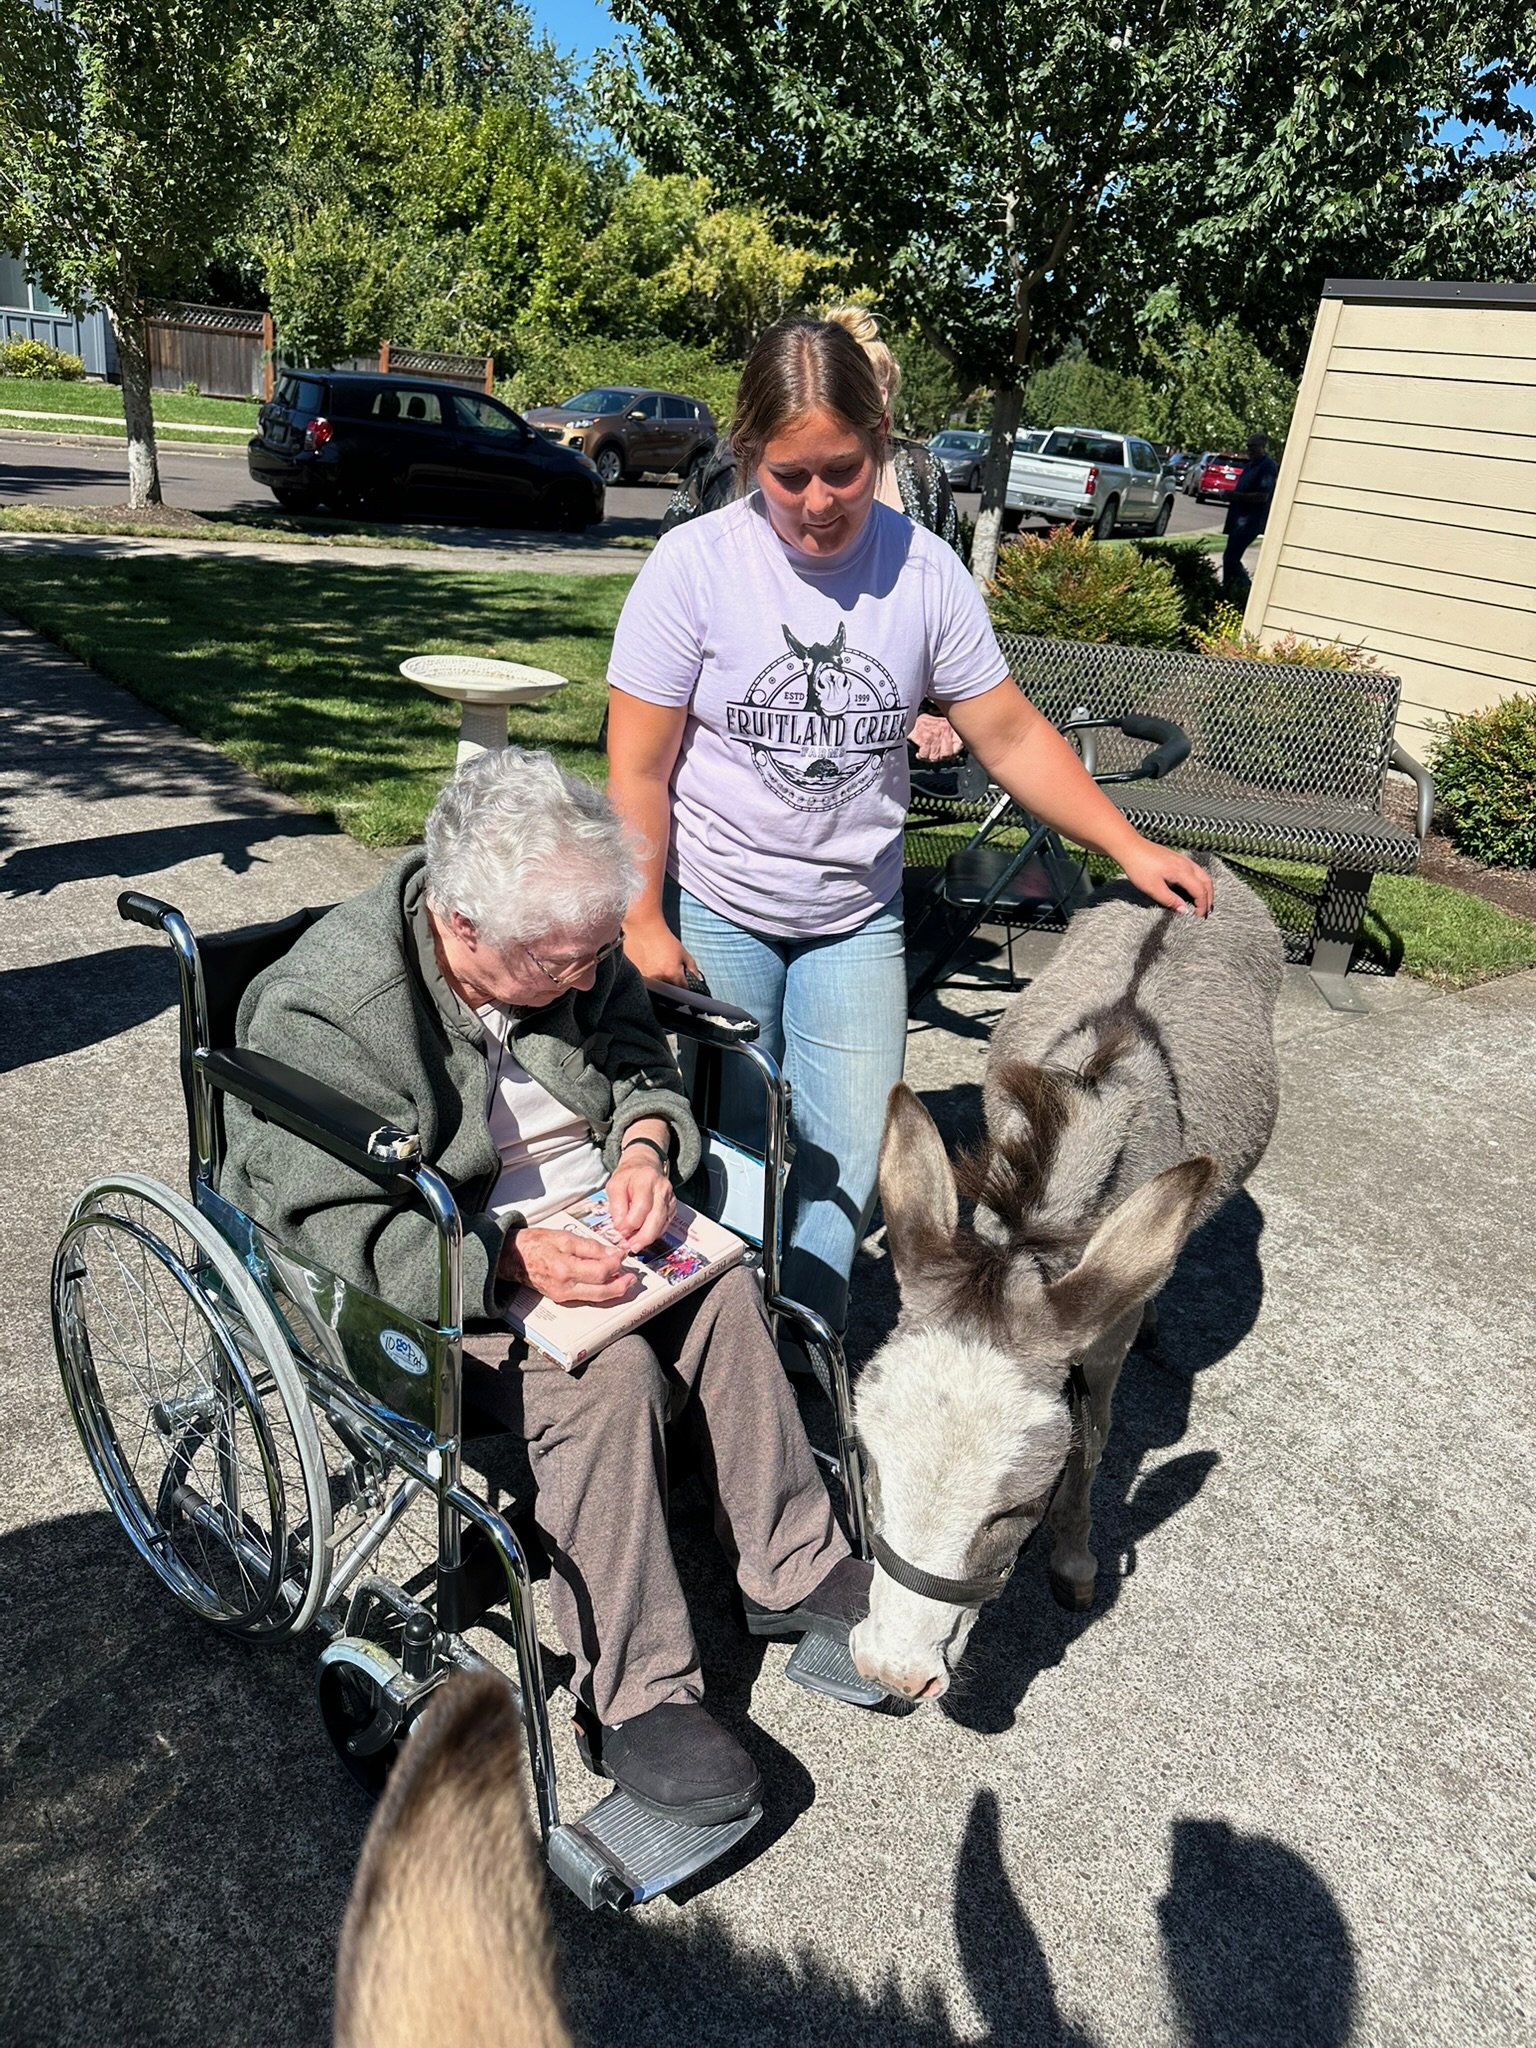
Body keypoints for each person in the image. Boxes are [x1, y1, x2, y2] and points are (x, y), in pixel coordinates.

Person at [221, 747, 870, 1827]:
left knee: (724, 1290)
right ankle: (639, 1698)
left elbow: (636, 1054)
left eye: (595, 952)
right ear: (462, 924)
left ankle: (791, 1562)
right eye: (563, 962)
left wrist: (648, 1146)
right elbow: (324, 1229)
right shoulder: (328, 1011)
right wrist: (503, 1260)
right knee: (603, 1375)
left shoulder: (567, 943)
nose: (589, 975)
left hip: (590, 1229)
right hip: (428, 1282)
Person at [605, 316, 1212, 1343]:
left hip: (853, 918)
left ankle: (805, 1365)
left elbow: (1012, 734)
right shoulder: (693, 566)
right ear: (749, 453)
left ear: (881, 437)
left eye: (842, 470)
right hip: (717, 910)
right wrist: (639, 916)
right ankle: (720, 1361)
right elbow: (637, 764)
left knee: (849, 1167)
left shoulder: (923, 573)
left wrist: (1127, 844)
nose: (815, 503)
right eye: (788, 474)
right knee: (735, 1154)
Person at [1222, 433, 1279, 593]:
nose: (1250, 450)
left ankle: (1243, 590)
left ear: (1262, 446)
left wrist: (1235, 496)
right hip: (1237, 519)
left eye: (1253, 447)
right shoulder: (1250, 465)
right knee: (1230, 558)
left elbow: (1262, 496)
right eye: (1248, 447)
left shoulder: (1267, 466)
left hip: (1249, 521)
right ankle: (1229, 589)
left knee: (1231, 558)